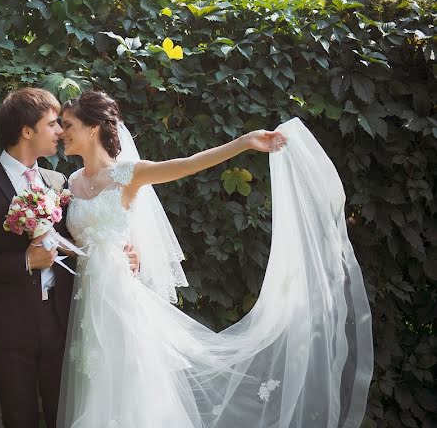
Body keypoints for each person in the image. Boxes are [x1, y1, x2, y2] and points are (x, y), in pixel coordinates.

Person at [57, 90, 373, 428]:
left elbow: (189, 165)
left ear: (93, 128)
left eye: (68, 125)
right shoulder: (70, 184)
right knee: (95, 387)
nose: (62, 133)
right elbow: (75, 240)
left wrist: (246, 142)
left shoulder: (128, 175)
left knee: (129, 388)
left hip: (121, 301)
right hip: (87, 300)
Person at [0, 88, 139, 428]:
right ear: (27, 131)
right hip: (8, 326)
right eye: (52, 124)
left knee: (64, 418)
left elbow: (79, 237)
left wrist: (122, 248)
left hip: (63, 321)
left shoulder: (59, 182)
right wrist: (23, 262)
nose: (60, 132)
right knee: (19, 419)